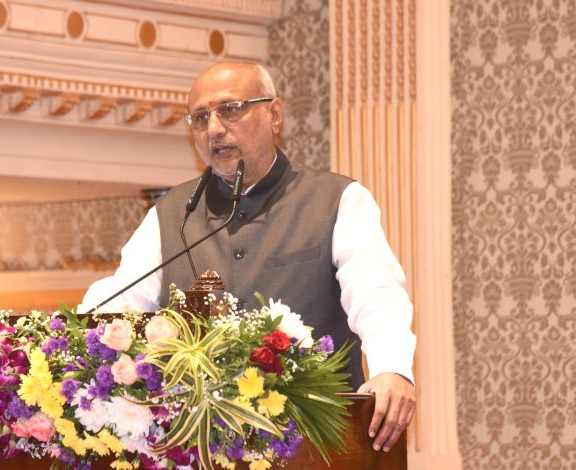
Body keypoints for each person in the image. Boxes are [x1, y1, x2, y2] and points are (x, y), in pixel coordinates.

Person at [80, 62, 416, 453]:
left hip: (318, 446)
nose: (214, 129)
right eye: (200, 118)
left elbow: (377, 294)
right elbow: (118, 303)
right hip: (202, 449)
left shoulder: (336, 200)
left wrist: (392, 369)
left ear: (275, 115)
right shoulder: (170, 215)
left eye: (230, 109)